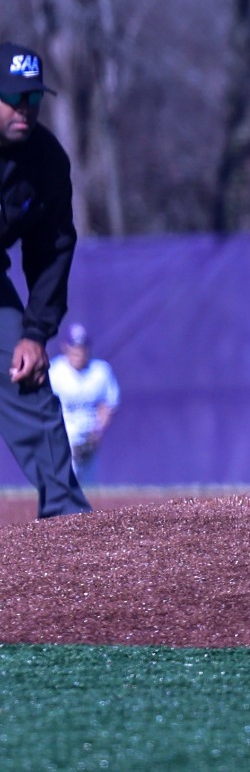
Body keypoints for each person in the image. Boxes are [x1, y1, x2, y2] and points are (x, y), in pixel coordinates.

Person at [0, 43, 89, 517]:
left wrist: (35, 333)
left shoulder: (45, 160)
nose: (25, 109)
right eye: (13, 97)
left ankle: (67, 517)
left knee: (27, 372)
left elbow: (52, 250)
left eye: (32, 98)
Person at [49, 322, 118, 484]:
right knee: (64, 485)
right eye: (74, 348)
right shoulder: (55, 371)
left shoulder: (100, 371)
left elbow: (107, 405)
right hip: (64, 434)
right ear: (65, 347)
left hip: (88, 436)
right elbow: (44, 408)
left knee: (89, 488)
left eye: (82, 347)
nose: (79, 352)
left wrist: (97, 432)